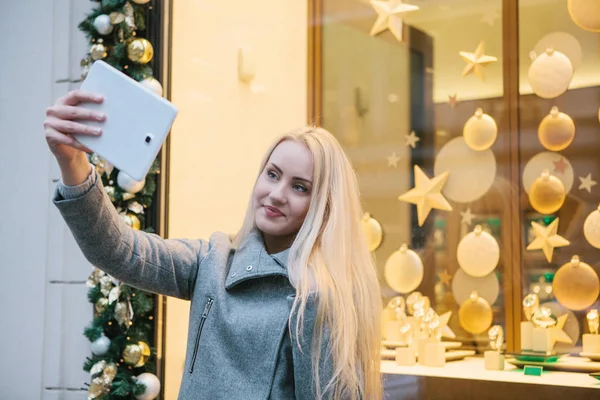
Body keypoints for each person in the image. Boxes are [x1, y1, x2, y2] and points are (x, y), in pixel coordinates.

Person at [44, 90, 383, 399]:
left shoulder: (321, 294)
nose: (276, 194)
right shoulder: (215, 259)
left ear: (325, 205)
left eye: (300, 187)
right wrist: (72, 162)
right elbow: (120, 251)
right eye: (273, 174)